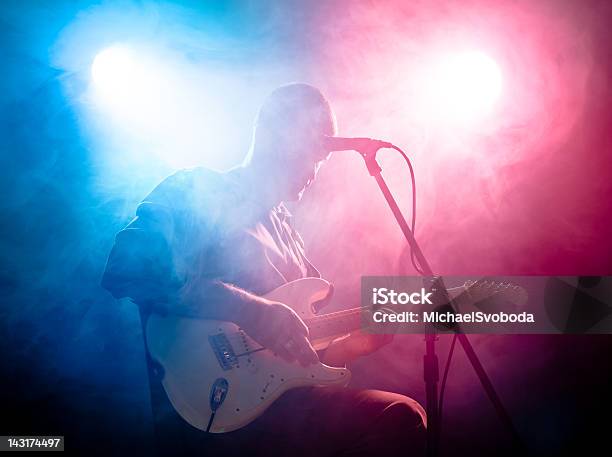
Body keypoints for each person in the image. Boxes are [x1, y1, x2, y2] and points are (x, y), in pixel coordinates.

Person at [102, 83, 426, 456]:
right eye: (317, 148)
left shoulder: (290, 239)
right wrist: (247, 308)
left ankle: (499, 301)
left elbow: (289, 364)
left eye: (324, 157)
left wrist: (353, 344)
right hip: (206, 413)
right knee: (399, 416)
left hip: (274, 415)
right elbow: (126, 266)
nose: (317, 168)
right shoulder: (199, 190)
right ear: (278, 133)